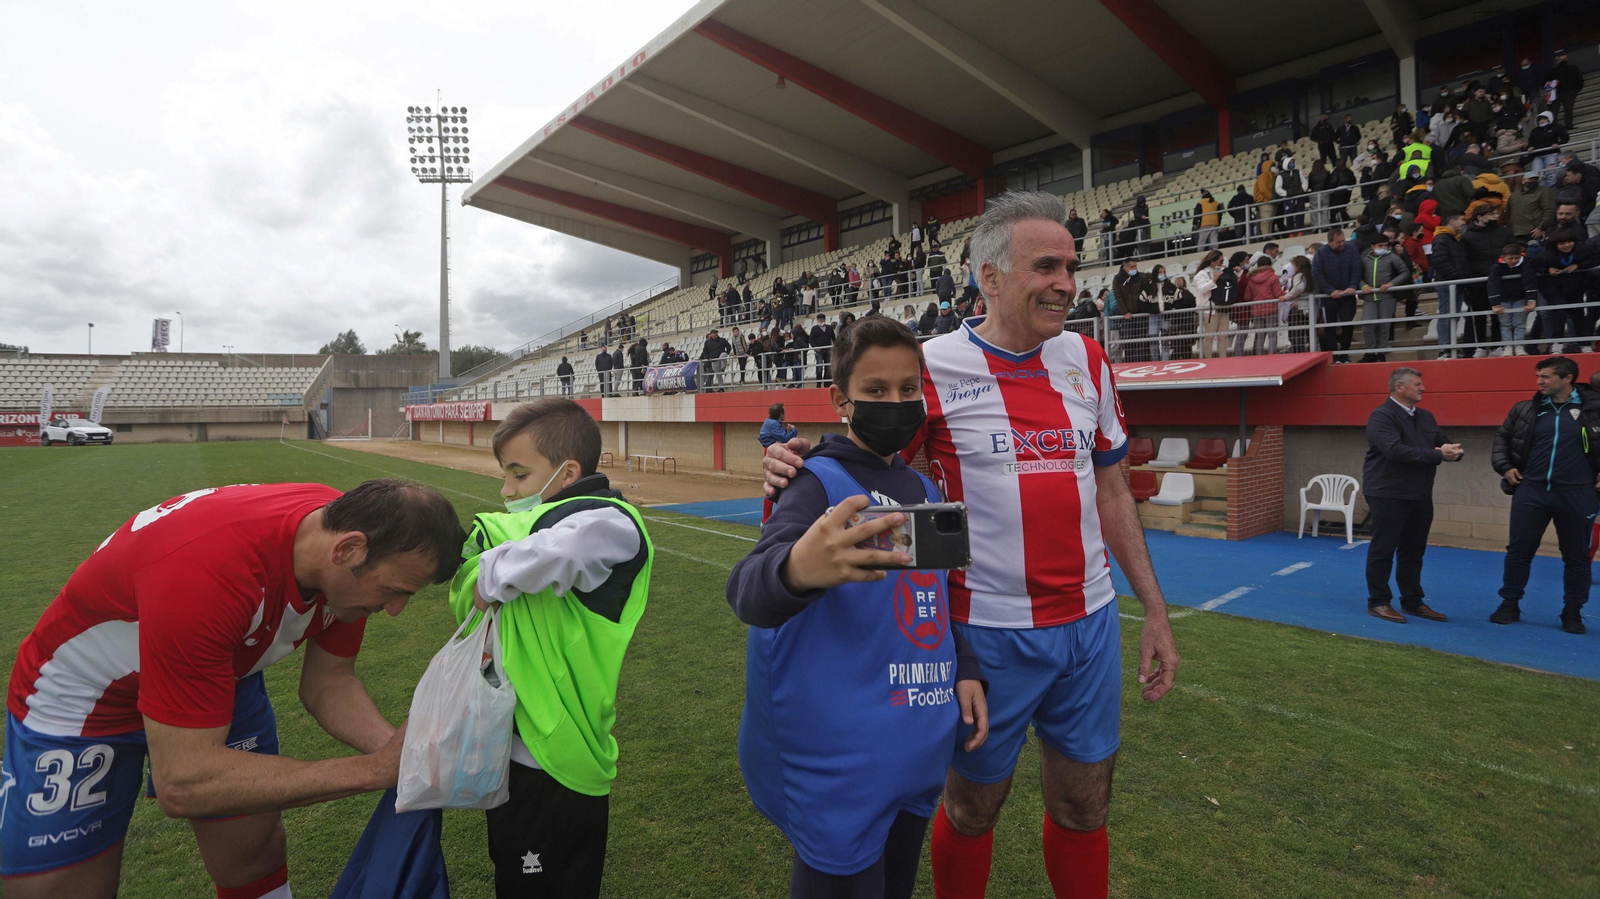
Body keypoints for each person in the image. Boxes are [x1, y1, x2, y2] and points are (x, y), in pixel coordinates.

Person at [760, 190, 1178, 899]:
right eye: (1046, 265)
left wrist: (1156, 612)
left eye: (1071, 267)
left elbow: (1112, 492)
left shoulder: (1090, 360)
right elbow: (874, 463)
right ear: (989, 276)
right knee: (971, 807)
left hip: (1091, 624)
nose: (1066, 283)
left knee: (1085, 803)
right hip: (988, 629)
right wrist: (790, 469)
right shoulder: (933, 366)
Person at [1, 480, 464, 898]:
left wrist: (407, 759)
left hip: (220, 672)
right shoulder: (209, 575)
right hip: (86, 699)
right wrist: (371, 771)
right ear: (347, 551)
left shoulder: (343, 544)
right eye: (396, 589)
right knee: (60, 886)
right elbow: (184, 781)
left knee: (253, 851)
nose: (397, 609)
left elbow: (330, 684)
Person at [728, 317, 988, 899]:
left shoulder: (919, 489)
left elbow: (933, 595)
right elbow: (747, 589)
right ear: (840, 400)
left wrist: (964, 665)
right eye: (875, 391)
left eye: (908, 389)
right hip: (845, 762)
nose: (895, 403)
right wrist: (797, 569)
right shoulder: (815, 482)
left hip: (915, 741)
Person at [456, 399, 654, 898]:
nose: (506, 491)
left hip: (556, 758)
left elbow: (561, 550)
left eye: (519, 475)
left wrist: (490, 572)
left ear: (567, 474)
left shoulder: (610, 521)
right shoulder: (531, 528)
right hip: (512, 746)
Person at [1490, 356, 1600, 635]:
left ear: (1567, 379)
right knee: (1518, 551)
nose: (1539, 382)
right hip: (1531, 491)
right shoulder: (1525, 409)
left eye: (1546, 377)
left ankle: (1573, 612)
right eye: (1538, 376)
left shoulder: (1594, 408)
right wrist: (1505, 467)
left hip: (1578, 494)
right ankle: (1509, 604)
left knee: (1576, 557)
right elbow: (1502, 439)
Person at [1362, 368, 1462, 624]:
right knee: (1383, 549)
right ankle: (1378, 602)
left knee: (1413, 551)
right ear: (1399, 387)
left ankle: (1412, 601)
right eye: (1418, 384)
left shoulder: (1425, 416)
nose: (1423, 388)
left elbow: (1441, 441)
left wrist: (1453, 450)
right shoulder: (1381, 416)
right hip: (1388, 494)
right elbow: (1395, 451)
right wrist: (1439, 454)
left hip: (1419, 494)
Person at [1460, 203, 1514, 355]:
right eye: (1491, 214)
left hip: (1501, 281)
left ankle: (1499, 346)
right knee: (1479, 315)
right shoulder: (1467, 237)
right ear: (1480, 217)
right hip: (1477, 283)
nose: (1495, 216)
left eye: (1496, 213)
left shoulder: (1505, 232)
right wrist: (1469, 279)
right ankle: (1481, 347)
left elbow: (1514, 251)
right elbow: (1464, 261)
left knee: (1499, 314)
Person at [1356, 234, 1412, 363]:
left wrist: (1391, 284)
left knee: (1384, 325)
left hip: (1387, 297)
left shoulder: (1392, 257)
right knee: (1367, 324)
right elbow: (1356, 275)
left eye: (1385, 246)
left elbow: (1405, 272)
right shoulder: (1364, 258)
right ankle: (1370, 352)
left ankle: (1381, 352)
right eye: (1380, 246)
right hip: (1369, 297)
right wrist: (1363, 285)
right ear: (1372, 246)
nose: (1383, 248)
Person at [1312, 228, 1362, 359]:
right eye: (1338, 242)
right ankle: (1334, 354)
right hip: (1329, 297)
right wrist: (1330, 290)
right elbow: (1317, 273)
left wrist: (1352, 286)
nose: (1342, 244)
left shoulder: (1351, 248)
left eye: (1343, 241)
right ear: (1329, 242)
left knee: (1347, 324)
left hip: (1348, 295)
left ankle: (1345, 353)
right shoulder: (1321, 253)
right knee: (1330, 326)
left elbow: (1357, 268)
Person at [1488, 242, 1536, 356]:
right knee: (1505, 324)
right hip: (1503, 299)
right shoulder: (1497, 266)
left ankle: (1519, 346)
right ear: (1503, 257)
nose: (1514, 261)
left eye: (1516, 258)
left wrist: (1531, 300)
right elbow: (1492, 284)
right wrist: (1494, 303)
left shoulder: (1525, 264)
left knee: (1519, 323)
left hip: (1520, 298)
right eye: (1511, 258)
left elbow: (1529, 281)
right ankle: (1508, 346)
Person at [1242, 255, 1283, 356]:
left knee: (1260, 335)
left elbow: (1247, 296)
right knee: (1272, 334)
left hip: (1256, 310)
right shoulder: (1273, 276)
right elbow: (1278, 294)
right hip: (1271, 308)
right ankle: (1271, 354)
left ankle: (1259, 355)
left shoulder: (1252, 278)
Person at [1192, 250, 1228, 358]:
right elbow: (1202, 289)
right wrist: (1214, 279)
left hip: (1223, 307)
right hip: (1209, 310)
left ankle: (1223, 360)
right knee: (1209, 337)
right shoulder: (1201, 274)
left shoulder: (1223, 270)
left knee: (1223, 337)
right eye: (1220, 261)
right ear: (1213, 262)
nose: (1222, 263)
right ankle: (1208, 361)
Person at [1548, 52, 1585, 130]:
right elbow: (1546, 82)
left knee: (1567, 109)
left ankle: (1568, 125)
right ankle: (1556, 126)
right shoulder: (1553, 71)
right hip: (1557, 93)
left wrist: (1577, 89)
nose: (1563, 61)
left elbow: (1579, 79)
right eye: (1561, 59)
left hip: (1569, 91)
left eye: (1564, 59)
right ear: (1557, 61)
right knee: (1556, 110)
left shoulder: (1573, 68)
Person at [1168, 275, 1198, 359]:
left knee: (1178, 345)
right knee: (1187, 345)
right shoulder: (1189, 294)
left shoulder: (1173, 294)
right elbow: (1194, 304)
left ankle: (1174, 360)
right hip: (1188, 322)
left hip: (1177, 323)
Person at [810, 313, 834, 384]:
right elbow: (811, 340)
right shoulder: (814, 329)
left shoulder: (829, 328)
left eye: (822, 319)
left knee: (828, 367)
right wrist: (815, 347)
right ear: (817, 320)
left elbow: (833, 338)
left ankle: (827, 383)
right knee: (819, 366)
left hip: (828, 349)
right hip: (819, 351)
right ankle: (819, 382)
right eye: (819, 319)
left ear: (824, 319)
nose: (821, 320)